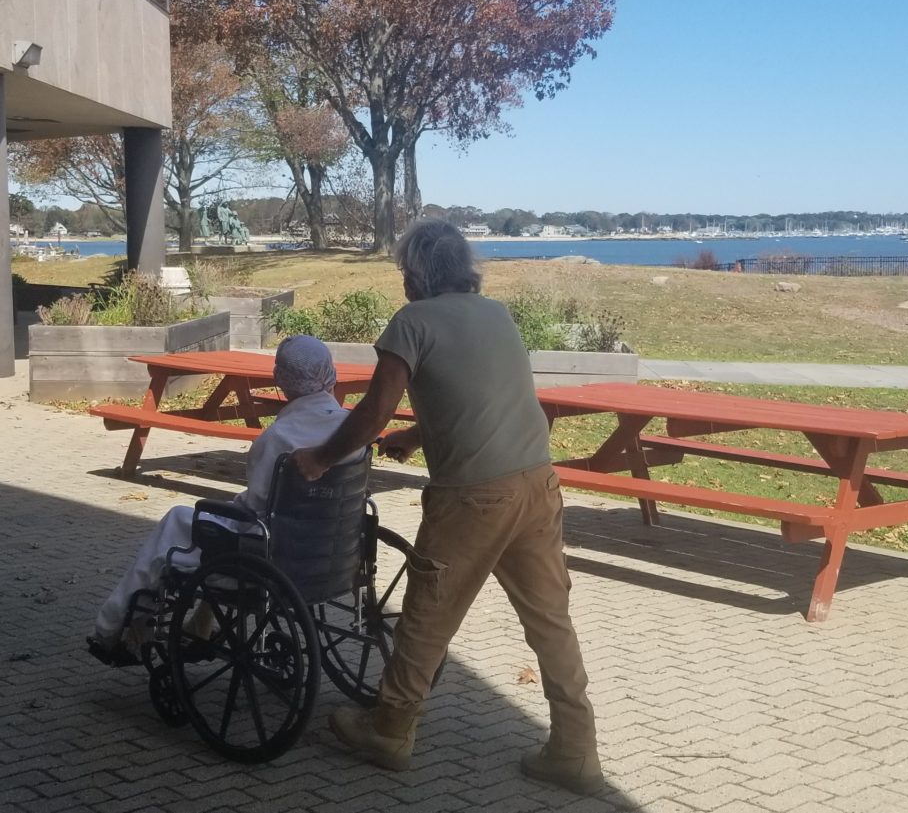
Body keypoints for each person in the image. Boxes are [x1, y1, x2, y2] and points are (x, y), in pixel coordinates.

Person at [293, 219, 601, 795]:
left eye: (405, 271)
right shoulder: (497, 314)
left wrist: (318, 458)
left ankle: (388, 730)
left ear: (416, 274)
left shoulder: (412, 322)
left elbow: (370, 414)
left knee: (427, 615)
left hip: (474, 498)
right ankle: (575, 749)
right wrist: (418, 436)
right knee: (550, 620)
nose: (404, 281)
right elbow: (482, 397)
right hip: (536, 482)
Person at [88, 335, 362, 665]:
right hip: (330, 550)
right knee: (215, 529)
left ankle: (112, 627)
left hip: (272, 555)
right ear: (330, 373)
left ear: (280, 381)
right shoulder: (353, 432)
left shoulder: (278, 438)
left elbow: (257, 506)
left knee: (179, 520)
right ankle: (201, 624)